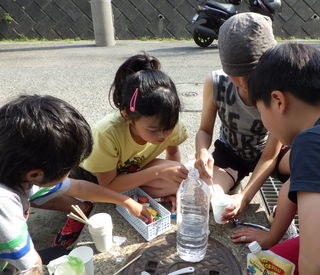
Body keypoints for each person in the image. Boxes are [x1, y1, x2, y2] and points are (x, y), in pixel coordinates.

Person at [245, 42, 320, 274]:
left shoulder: (312, 143)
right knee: (265, 266)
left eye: (261, 111)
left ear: (278, 101)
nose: (264, 122)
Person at [0, 94, 152, 274]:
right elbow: (31, 267)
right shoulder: (5, 204)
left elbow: (79, 187)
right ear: (35, 173)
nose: (69, 173)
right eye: (68, 169)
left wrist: (126, 201)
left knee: (61, 253)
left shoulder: (18, 170)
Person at [194, 13, 290, 220]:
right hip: (231, 153)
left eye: (251, 76)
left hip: (271, 155)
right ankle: (232, 180)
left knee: (308, 163)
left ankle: (291, 205)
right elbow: (204, 130)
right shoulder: (216, 83)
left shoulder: (278, 91)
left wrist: (244, 198)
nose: (244, 85)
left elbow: (269, 155)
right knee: (205, 198)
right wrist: (201, 152)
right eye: (235, 78)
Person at [70, 54, 188, 208]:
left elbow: (172, 154)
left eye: (169, 127)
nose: (163, 135)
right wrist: (158, 172)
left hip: (131, 171)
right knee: (162, 175)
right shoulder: (107, 133)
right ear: (128, 117)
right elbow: (108, 184)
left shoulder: (170, 121)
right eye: (153, 130)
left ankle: (134, 192)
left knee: (178, 181)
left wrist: (171, 188)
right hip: (93, 179)